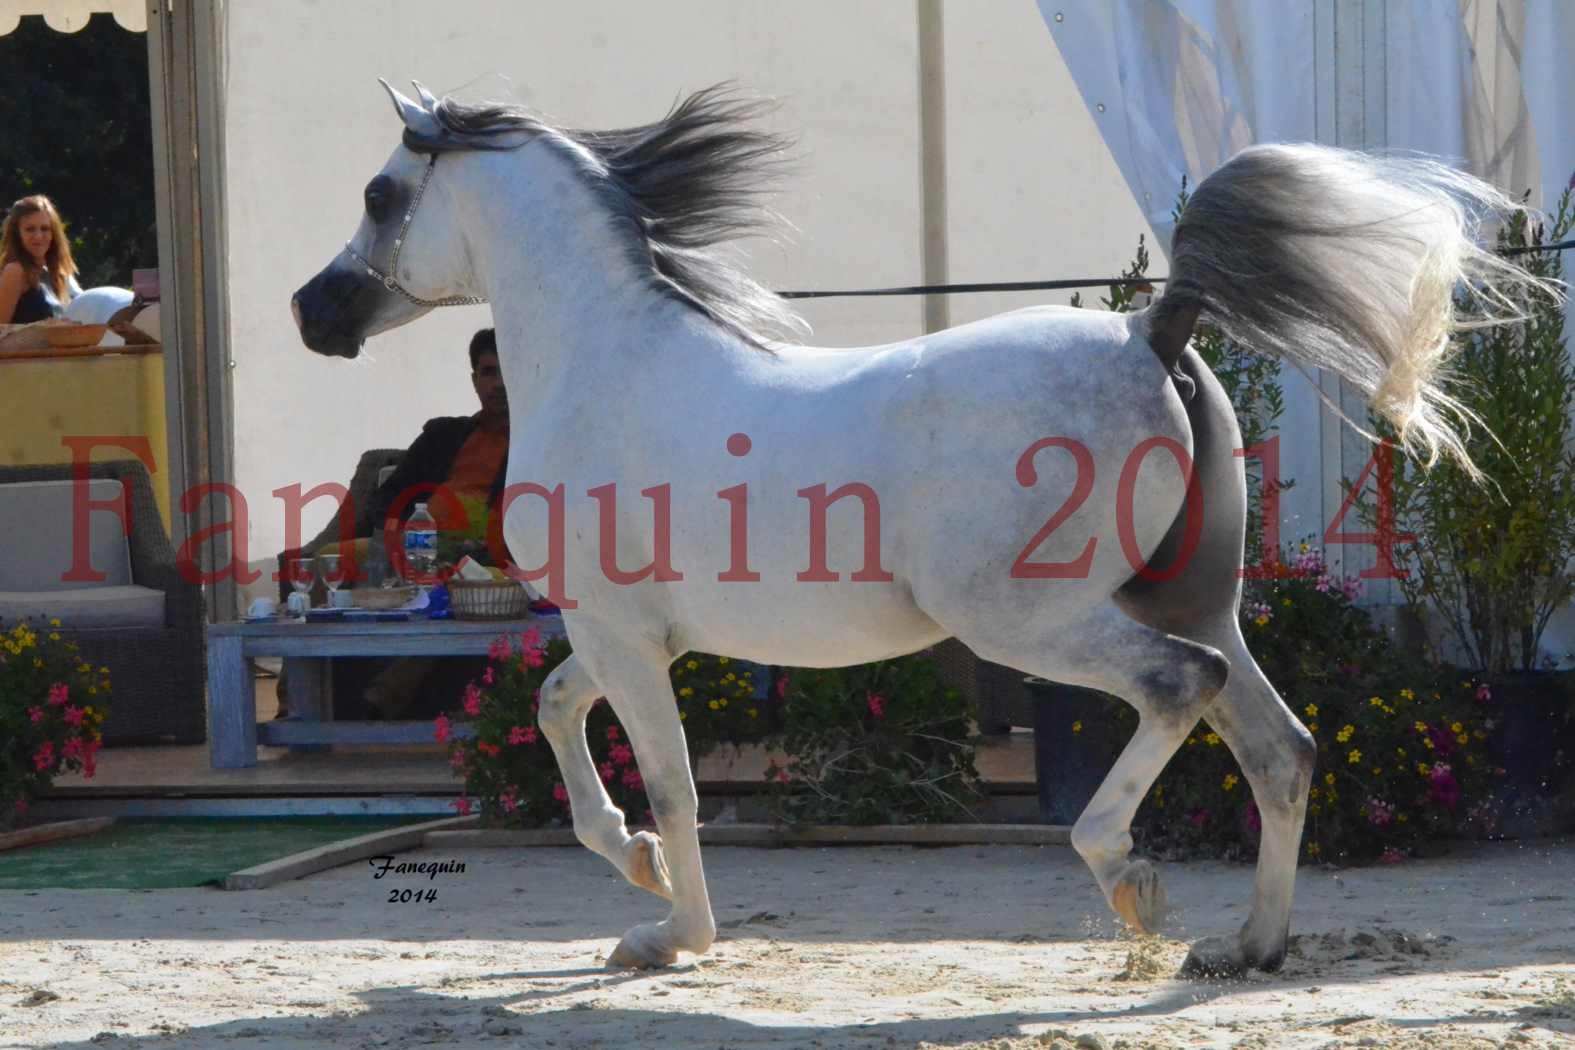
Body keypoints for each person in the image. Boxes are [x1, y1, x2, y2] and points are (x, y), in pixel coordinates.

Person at [277, 327, 514, 720]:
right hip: (414, 545)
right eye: (489, 373)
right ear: (474, 380)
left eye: (508, 371)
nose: (499, 385)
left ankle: (382, 701)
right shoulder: (443, 434)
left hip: (483, 559)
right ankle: (296, 699)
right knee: (326, 560)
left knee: (445, 587)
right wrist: (393, 534)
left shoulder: (535, 440)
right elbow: (388, 496)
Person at [0, 196, 82, 324]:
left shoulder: (60, 273)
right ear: (17, 234)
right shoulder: (15, 271)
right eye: (30, 229)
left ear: (54, 233)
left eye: (45, 229)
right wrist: (46, 328)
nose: (38, 236)